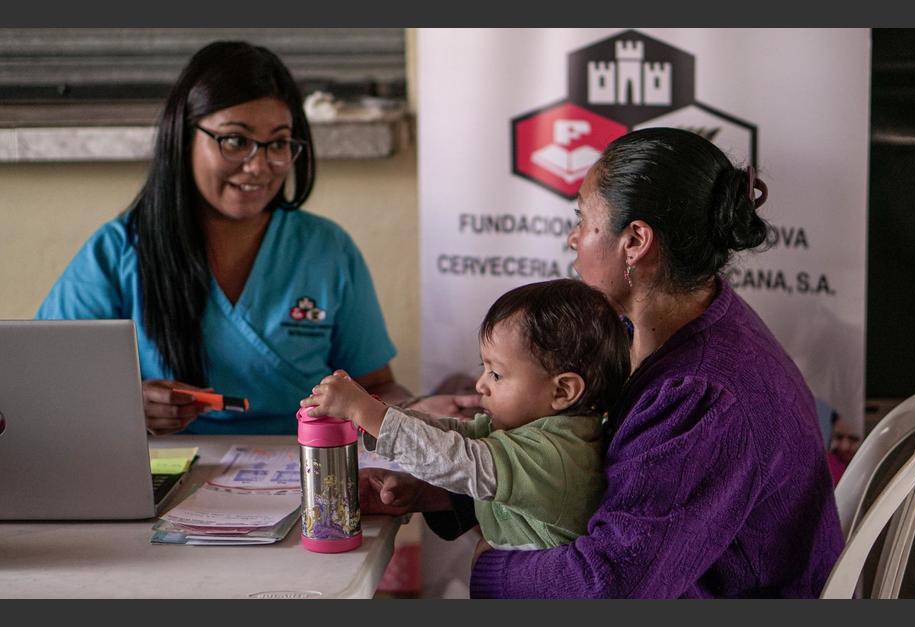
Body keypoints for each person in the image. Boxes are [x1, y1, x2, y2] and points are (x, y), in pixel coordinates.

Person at [360, 127, 845, 598]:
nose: (573, 239)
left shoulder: (702, 393)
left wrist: (490, 566)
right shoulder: (661, 332)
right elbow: (583, 476)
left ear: (635, 241)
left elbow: (610, 585)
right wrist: (441, 494)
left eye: (583, 220)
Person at [35, 41, 410, 435]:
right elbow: (45, 386)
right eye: (235, 140)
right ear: (183, 136)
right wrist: (125, 405)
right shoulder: (118, 251)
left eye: (278, 143)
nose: (258, 165)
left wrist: (418, 412)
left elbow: (377, 387)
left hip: (306, 472)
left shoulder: (327, 249)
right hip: (168, 475)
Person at [302, 279, 630, 551]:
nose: (481, 384)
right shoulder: (533, 431)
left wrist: (367, 411)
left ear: (562, 392)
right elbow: (457, 436)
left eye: (496, 374)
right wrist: (375, 419)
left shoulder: (554, 455)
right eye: (482, 368)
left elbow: (457, 460)